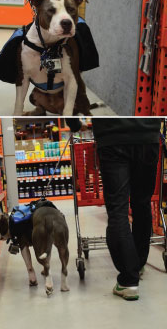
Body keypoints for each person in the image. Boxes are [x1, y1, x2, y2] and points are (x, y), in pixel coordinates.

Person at [67, 118, 161, 301]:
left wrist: (75, 125)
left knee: (118, 210)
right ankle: (138, 264)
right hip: (147, 136)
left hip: (113, 138)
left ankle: (128, 280)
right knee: (142, 205)